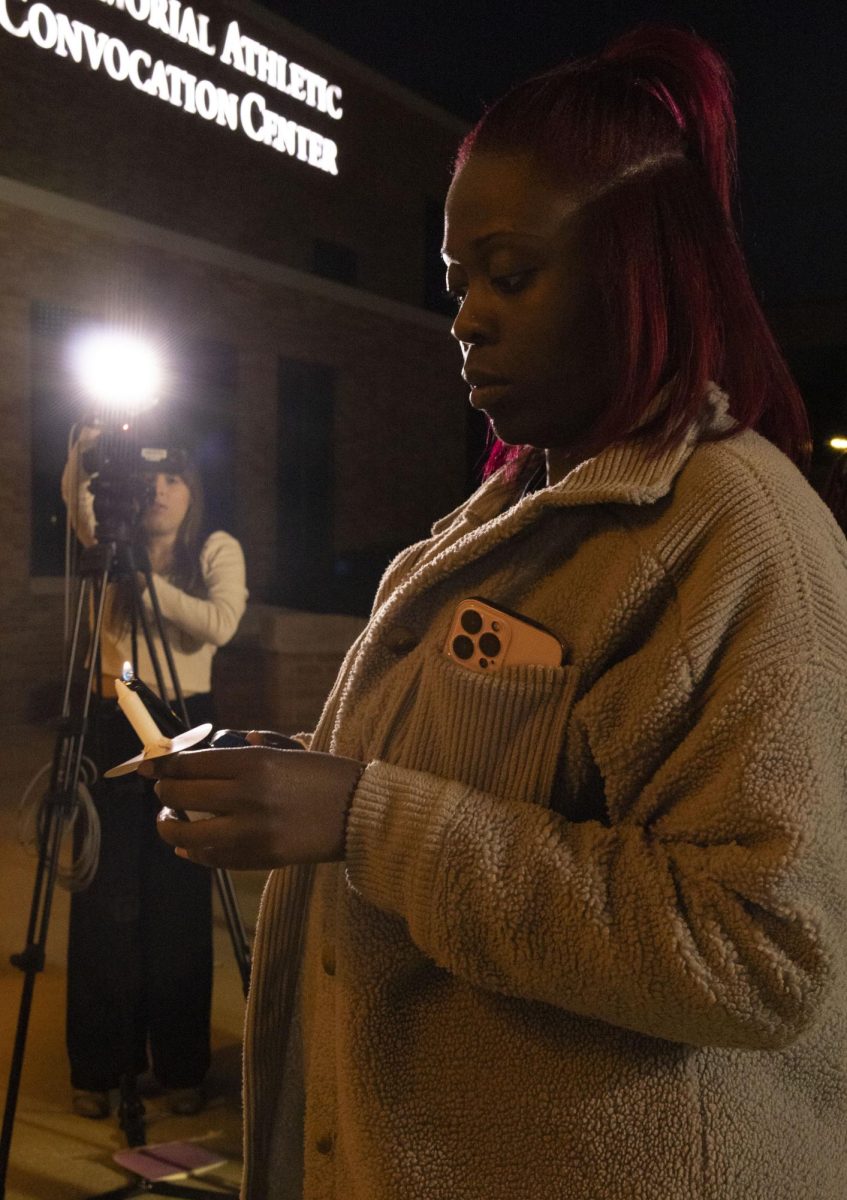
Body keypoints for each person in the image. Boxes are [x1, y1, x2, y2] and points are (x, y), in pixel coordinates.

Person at [148, 26, 847, 1199]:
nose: (465, 318)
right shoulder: (513, 508)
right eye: (454, 280)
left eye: (510, 272)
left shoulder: (731, 536)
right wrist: (320, 779)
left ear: (639, 268)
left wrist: (366, 816)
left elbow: (764, 951)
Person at [61, 425, 247, 1119]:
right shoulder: (108, 546)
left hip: (186, 723)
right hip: (110, 717)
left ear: (192, 490)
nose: (163, 488)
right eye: (151, 478)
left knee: (178, 895)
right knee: (103, 895)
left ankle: (179, 1065)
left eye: (175, 477)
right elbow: (80, 505)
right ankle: (99, 1065)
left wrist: (146, 584)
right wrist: (85, 447)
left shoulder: (214, 549)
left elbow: (220, 623)